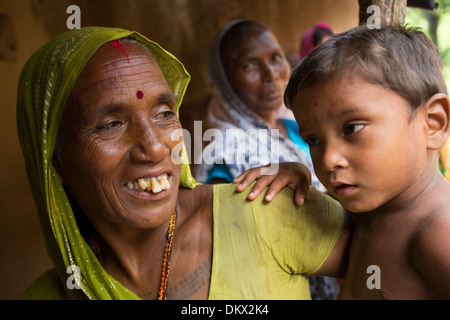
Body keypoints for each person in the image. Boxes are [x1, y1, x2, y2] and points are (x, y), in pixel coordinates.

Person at [17, 26, 351, 300]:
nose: (155, 147)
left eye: (164, 114)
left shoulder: (264, 210)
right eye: (110, 125)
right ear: (54, 160)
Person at [283, 24, 450, 299]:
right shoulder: (367, 211)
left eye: (351, 128)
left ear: (432, 124)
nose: (329, 159)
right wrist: (293, 177)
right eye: (313, 140)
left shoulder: (437, 231)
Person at [194, 19, 339, 299]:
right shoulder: (225, 151)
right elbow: (236, 237)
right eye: (249, 65)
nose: (271, 73)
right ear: (225, 79)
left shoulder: (298, 128)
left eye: (275, 57)